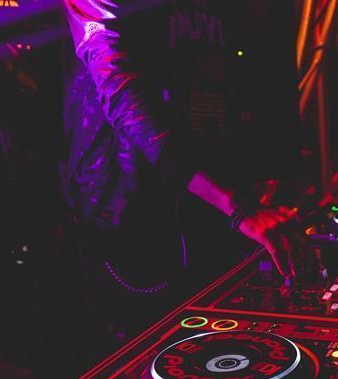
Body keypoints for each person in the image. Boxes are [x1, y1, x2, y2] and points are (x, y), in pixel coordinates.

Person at [61, 0, 310, 332]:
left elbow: (246, 74)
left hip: (213, 206)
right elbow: (123, 95)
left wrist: (265, 180)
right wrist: (238, 205)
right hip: (133, 213)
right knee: (149, 345)